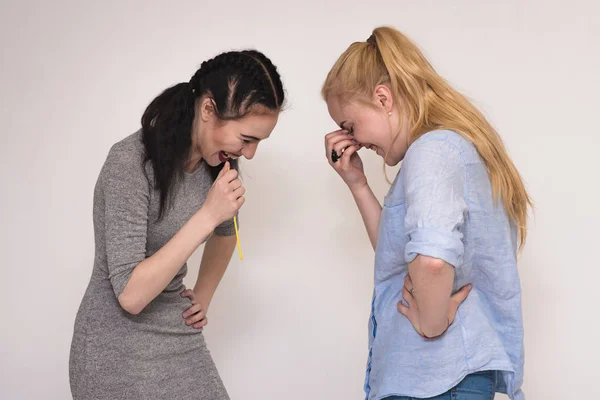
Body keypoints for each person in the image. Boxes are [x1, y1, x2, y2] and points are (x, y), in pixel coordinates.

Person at [322, 26, 530, 400]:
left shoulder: (431, 151)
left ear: (383, 98)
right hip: (445, 380)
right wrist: (358, 184)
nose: (353, 140)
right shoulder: (451, 149)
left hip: (435, 378)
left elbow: (432, 261)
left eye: (350, 126)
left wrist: (432, 324)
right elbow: (400, 256)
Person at [69, 49, 285, 400]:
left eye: (258, 142)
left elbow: (227, 233)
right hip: (114, 350)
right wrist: (207, 216)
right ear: (207, 110)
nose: (250, 154)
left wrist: (204, 294)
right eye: (247, 139)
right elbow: (131, 296)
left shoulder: (218, 167)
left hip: (177, 332)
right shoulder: (130, 164)